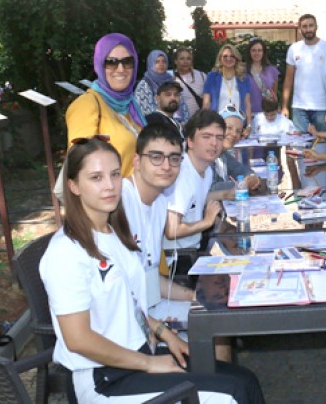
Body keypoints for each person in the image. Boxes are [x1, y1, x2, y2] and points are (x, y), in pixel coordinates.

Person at [40, 136, 264, 403]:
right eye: (96, 178)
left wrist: (165, 334)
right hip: (104, 379)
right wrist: (149, 363)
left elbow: (130, 305)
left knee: (245, 380)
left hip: (137, 356)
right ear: (74, 186)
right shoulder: (66, 252)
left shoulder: (113, 234)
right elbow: (78, 340)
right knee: (232, 393)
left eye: (114, 174)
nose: (110, 185)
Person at [121, 121, 196, 320]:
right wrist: (159, 329)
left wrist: (194, 296)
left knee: (213, 313)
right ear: (137, 161)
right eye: (156, 157)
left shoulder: (161, 202)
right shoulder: (119, 202)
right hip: (126, 318)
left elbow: (152, 280)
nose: (166, 166)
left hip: (153, 307)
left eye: (174, 158)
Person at [66, 33, 146, 178]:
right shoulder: (86, 105)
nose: (120, 69)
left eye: (127, 61)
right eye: (111, 62)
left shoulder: (131, 105)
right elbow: (82, 167)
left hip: (140, 191)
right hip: (112, 192)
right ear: (99, 64)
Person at [164, 110, 226, 250]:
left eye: (219, 138)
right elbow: (172, 230)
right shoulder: (181, 174)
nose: (214, 143)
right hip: (176, 257)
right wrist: (207, 222)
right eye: (206, 136)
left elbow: (196, 197)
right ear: (190, 141)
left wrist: (227, 194)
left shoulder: (207, 170)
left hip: (194, 248)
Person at [282, 14, 326, 133]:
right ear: (300, 28)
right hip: (299, 107)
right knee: (300, 143)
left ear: (316, 27)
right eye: (304, 26)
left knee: (322, 142)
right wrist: (284, 106)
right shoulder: (294, 49)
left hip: (322, 107)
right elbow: (288, 79)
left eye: (311, 25)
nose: (308, 29)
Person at [203, 45, 253, 126]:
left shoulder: (244, 78)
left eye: (232, 56)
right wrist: (204, 123)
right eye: (225, 56)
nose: (228, 59)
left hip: (239, 124)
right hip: (217, 123)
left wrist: (249, 125)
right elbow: (206, 103)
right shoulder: (212, 76)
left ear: (236, 59)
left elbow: (247, 103)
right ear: (220, 58)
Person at [213, 108, 260, 190]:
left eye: (238, 131)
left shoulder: (223, 155)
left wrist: (252, 177)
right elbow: (210, 189)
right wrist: (242, 184)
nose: (234, 134)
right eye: (229, 128)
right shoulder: (205, 155)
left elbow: (241, 170)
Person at [245, 37, 280, 115]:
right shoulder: (243, 71)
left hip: (268, 113)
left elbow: (274, 94)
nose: (256, 53)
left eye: (259, 50)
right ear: (249, 52)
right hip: (249, 114)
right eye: (253, 50)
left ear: (263, 52)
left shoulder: (272, 70)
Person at [135, 50, 174, 117]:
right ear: (151, 64)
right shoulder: (144, 85)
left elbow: (181, 105)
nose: (161, 64)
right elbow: (145, 112)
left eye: (164, 61)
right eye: (157, 62)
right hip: (154, 122)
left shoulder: (171, 81)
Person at [173, 47, 207, 124]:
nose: (185, 62)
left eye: (188, 58)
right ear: (176, 61)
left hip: (201, 122)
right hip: (182, 123)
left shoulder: (202, 76)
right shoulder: (171, 79)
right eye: (182, 58)